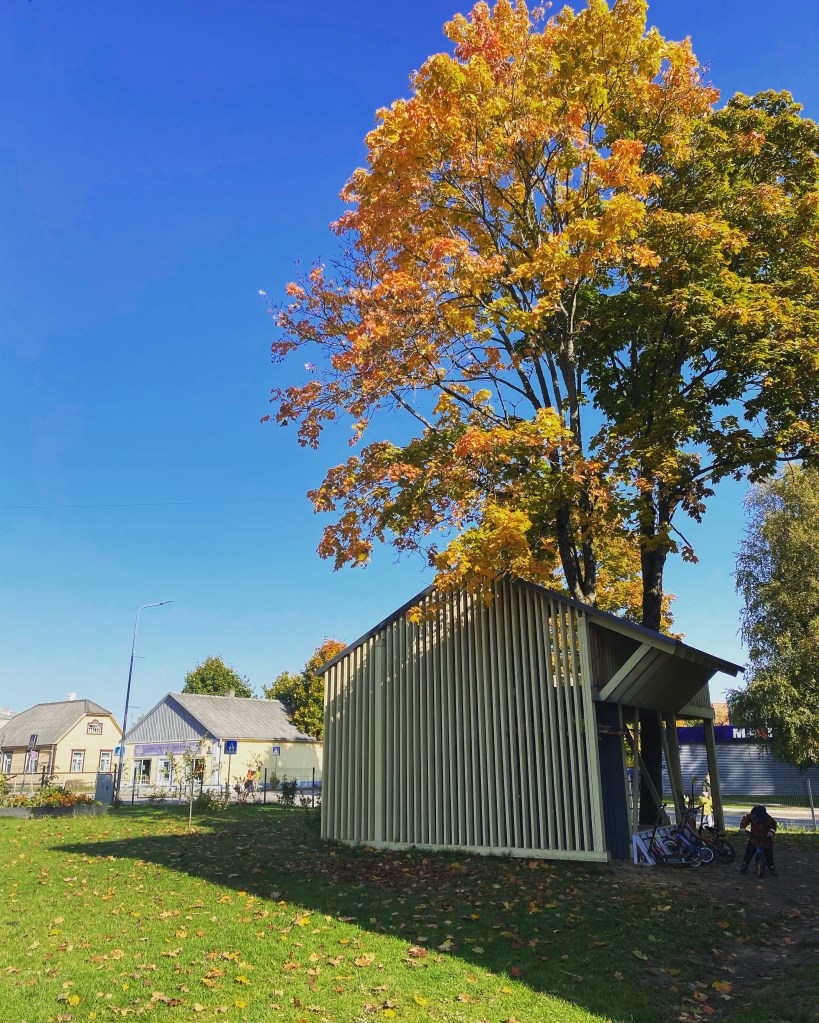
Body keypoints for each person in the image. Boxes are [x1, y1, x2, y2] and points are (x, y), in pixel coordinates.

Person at [738, 805, 777, 875]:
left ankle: (771, 867)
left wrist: (771, 832)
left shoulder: (769, 819)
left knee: (769, 854)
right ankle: (745, 865)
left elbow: (773, 826)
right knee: (749, 852)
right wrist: (742, 828)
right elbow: (745, 821)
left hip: (766, 839)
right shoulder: (751, 816)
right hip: (754, 838)